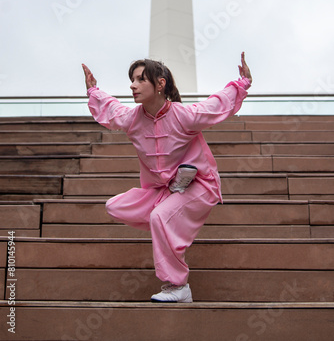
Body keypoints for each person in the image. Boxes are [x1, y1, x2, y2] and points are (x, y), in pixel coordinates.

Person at [82, 52, 252, 303]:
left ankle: (177, 285)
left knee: (160, 217)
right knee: (115, 207)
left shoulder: (184, 115)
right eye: (132, 80)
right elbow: (111, 109)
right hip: (164, 190)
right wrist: (93, 90)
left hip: (200, 185)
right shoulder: (132, 119)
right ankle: (172, 209)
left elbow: (216, 105)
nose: (132, 85)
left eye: (140, 80)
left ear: (160, 84)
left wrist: (243, 83)